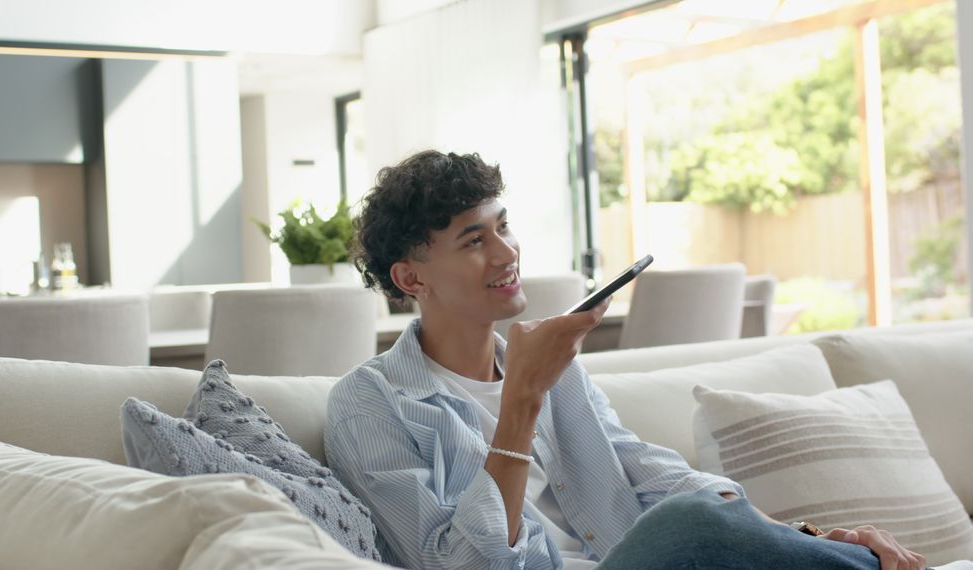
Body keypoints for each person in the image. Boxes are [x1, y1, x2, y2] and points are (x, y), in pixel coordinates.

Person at [324, 150, 928, 570]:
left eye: (503, 227)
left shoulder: (556, 368)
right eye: (474, 240)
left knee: (702, 509)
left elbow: (656, 475)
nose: (507, 253)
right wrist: (522, 400)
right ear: (412, 278)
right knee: (689, 522)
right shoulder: (369, 404)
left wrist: (812, 539)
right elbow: (461, 564)